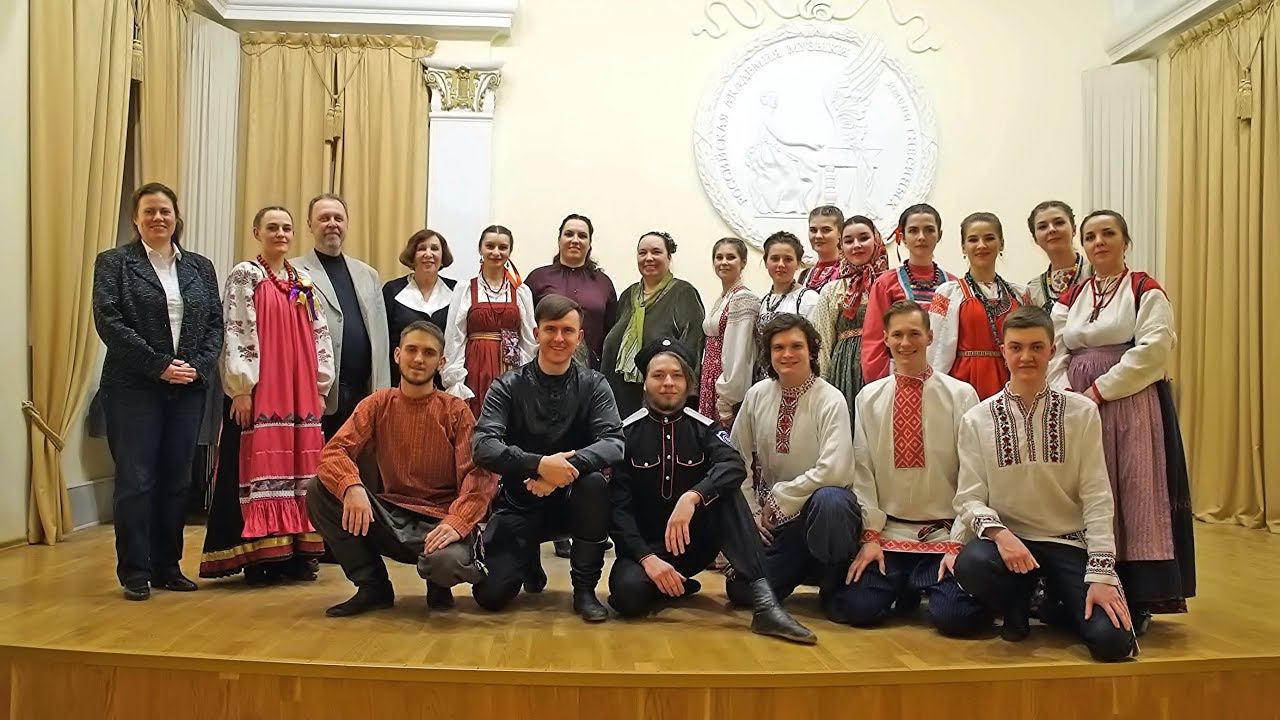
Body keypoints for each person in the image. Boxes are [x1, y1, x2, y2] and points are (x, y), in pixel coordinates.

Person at [952, 306, 1137, 662]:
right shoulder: (977, 418)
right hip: (1010, 548)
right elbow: (969, 498)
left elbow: (1098, 496)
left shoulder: (1081, 412)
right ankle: (1018, 601)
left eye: (1037, 347)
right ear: (1003, 350)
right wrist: (1001, 535)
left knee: (1112, 643)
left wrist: (1102, 574)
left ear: (1052, 351)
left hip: (1068, 543)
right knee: (972, 563)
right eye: (1016, 347)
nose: (1026, 356)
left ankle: (1056, 601)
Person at [607, 337, 816, 644]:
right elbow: (618, 510)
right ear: (644, 383)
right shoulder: (625, 434)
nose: (668, 383)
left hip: (695, 545)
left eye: (677, 376)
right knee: (627, 598)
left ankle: (765, 606)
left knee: (726, 490)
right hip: (646, 550)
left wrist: (693, 496)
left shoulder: (704, 428)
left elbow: (733, 464)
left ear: (687, 383)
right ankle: (668, 584)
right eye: (658, 375)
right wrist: (645, 558)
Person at [1046, 209, 1195, 632]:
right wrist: (1068, 395)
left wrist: (1100, 390)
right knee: (1082, 490)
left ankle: (1140, 595)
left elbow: (1153, 348)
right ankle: (1079, 586)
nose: (1099, 242)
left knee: (1132, 488)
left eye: (1108, 233)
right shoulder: (1072, 296)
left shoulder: (1144, 288)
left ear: (1124, 241)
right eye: (1091, 236)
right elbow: (1055, 348)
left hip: (1129, 402)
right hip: (1077, 402)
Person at [309, 321, 498, 617]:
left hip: (440, 522)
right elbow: (334, 452)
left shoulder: (456, 411)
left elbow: (479, 476)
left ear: (441, 362)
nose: (419, 359)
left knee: (445, 563)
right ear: (397, 355)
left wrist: (457, 522)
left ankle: (439, 584)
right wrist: (351, 486)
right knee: (319, 490)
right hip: (390, 517)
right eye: (411, 350)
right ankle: (373, 586)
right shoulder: (377, 403)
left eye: (428, 352)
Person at [92, 182, 224, 601]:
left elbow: (216, 326)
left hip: (187, 389)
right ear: (136, 219)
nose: (158, 218)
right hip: (133, 388)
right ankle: (135, 569)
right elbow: (109, 322)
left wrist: (195, 368)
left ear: (176, 217)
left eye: (165, 211)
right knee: (136, 480)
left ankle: (167, 565)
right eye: (149, 211)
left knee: (176, 480)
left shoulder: (200, 267)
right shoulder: (114, 263)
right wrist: (158, 366)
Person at [832, 300, 987, 634]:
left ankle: (923, 588)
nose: (906, 343)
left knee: (956, 619)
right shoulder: (869, 397)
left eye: (914, 333)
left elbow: (974, 472)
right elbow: (863, 469)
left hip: (944, 533)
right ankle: (904, 587)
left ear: (930, 337)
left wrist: (959, 540)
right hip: (890, 535)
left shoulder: (960, 394)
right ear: (885, 338)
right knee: (857, 609)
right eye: (897, 335)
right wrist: (870, 536)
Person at [199, 206, 334, 584]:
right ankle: (261, 555)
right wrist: (241, 391)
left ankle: (296, 551)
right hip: (264, 388)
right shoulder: (246, 275)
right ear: (256, 231)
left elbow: (319, 334)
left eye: (286, 227)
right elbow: (237, 329)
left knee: (299, 470)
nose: (280, 233)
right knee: (259, 467)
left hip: (300, 389)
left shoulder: (302, 280)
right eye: (272, 227)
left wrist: (320, 386)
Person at [470, 294, 625, 621]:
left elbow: (614, 443)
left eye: (567, 330)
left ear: (579, 336)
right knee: (490, 597)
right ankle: (527, 558)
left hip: (574, 503)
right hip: (520, 501)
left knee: (595, 484)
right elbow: (482, 445)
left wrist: (561, 472)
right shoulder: (507, 385)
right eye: (550, 329)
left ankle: (584, 591)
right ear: (536, 331)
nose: (558, 338)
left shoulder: (594, 384)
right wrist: (539, 466)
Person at [727, 314, 861, 616]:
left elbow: (836, 469)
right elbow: (735, 459)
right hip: (780, 525)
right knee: (740, 591)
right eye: (778, 347)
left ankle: (833, 580)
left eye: (796, 346)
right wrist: (752, 512)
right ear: (768, 353)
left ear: (811, 351)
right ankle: (806, 567)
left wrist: (782, 497)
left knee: (831, 500)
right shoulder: (757, 395)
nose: (787, 354)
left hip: (823, 516)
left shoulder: (830, 398)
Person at [293, 193, 390, 439]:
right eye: (324, 218)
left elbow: (381, 339)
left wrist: (382, 393)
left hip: (362, 396)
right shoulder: (292, 271)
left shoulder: (368, 274)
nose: (332, 224)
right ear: (310, 225)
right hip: (319, 396)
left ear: (346, 223)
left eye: (338, 218)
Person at [601, 231, 705, 417]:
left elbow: (692, 347)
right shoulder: (628, 296)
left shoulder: (684, 293)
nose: (648, 258)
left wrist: (685, 396)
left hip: (662, 401)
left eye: (656, 252)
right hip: (620, 396)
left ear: (669, 257)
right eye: (642, 253)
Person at [928, 212, 1031, 400]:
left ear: (1001, 243)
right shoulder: (949, 293)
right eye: (973, 239)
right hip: (965, 383)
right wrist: (934, 391)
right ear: (963, 247)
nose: (981, 245)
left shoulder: (1020, 294)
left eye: (989, 238)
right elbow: (937, 351)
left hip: (1011, 378)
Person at [442, 225, 537, 418]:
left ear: (510, 251)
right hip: (475, 366)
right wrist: (455, 379)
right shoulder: (465, 289)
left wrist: (527, 376)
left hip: (511, 369)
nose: (496, 252)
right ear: (480, 249)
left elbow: (528, 339)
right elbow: (455, 336)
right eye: (490, 246)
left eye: (503, 247)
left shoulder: (520, 291)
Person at [861, 203, 957, 382]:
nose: (922, 237)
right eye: (913, 231)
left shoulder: (954, 285)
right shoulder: (885, 284)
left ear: (939, 235)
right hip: (898, 377)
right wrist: (880, 386)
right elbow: (874, 340)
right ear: (902, 237)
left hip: (945, 379)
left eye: (929, 230)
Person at [813, 215, 889, 429]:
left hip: (884, 365)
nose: (856, 246)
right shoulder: (832, 290)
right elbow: (823, 341)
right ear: (841, 246)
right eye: (848, 241)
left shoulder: (891, 283)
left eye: (863, 238)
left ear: (876, 240)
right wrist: (822, 386)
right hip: (844, 370)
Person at [525, 214, 618, 369]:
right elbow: (525, 325)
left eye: (582, 236)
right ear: (559, 240)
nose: (575, 240)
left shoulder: (603, 283)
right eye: (569, 234)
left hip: (591, 372)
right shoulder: (538, 278)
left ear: (589, 244)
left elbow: (611, 331)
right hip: (544, 369)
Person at [381, 229, 457, 386]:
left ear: (442, 257)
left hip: (443, 383)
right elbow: (383, 341)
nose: (428, 254)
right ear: (412, 256)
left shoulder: (457, 290)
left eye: (434, 248)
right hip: (401, 382)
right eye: (422, 248)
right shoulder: (392, 290)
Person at [699, 238, 759, 428]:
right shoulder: (723, 298)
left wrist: (727, 398)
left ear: (743, 263)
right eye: (719, 257)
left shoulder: (743, 298)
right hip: (710, 381)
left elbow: (739, 354)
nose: (723, 262)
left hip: (725, 388)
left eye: (731, 257)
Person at [1026, 200, 1091, 311]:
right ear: (1035, 239)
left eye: (1059, 223)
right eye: (1042, 227)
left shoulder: (1096, 272)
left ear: (1074, 229)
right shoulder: (1033, 289)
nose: (1051, 229)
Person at [756, 231, 819, 333]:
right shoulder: (762, 301)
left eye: (788, 259)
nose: (781, 264)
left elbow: (817, 344)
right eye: (775, 258)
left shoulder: (809, 299)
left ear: (798, 264)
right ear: (766, 262)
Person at [799, 205, 845, 291]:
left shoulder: (848, 273)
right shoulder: (804, 275)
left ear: (840, 232)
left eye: (826, 230)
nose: (818, 236)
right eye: (813, 230)